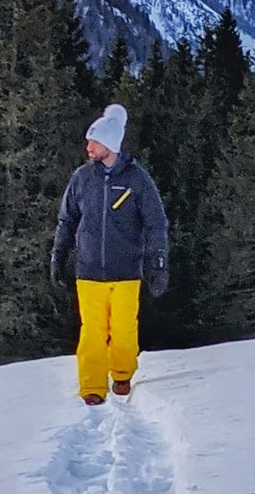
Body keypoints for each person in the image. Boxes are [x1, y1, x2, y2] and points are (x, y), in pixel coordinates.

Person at [51, 103, 169, 405]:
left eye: (95, 142)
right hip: (88, 270)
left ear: (110, 145)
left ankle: (121, 374)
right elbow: (67, 220)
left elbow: (156, 223)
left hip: (127, 271)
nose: (88, 147)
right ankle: (91, 386)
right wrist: (59, 256)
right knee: (91, 332)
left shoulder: (137, 180)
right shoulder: (81, 178)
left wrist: (157, 264)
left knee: (123, 331)